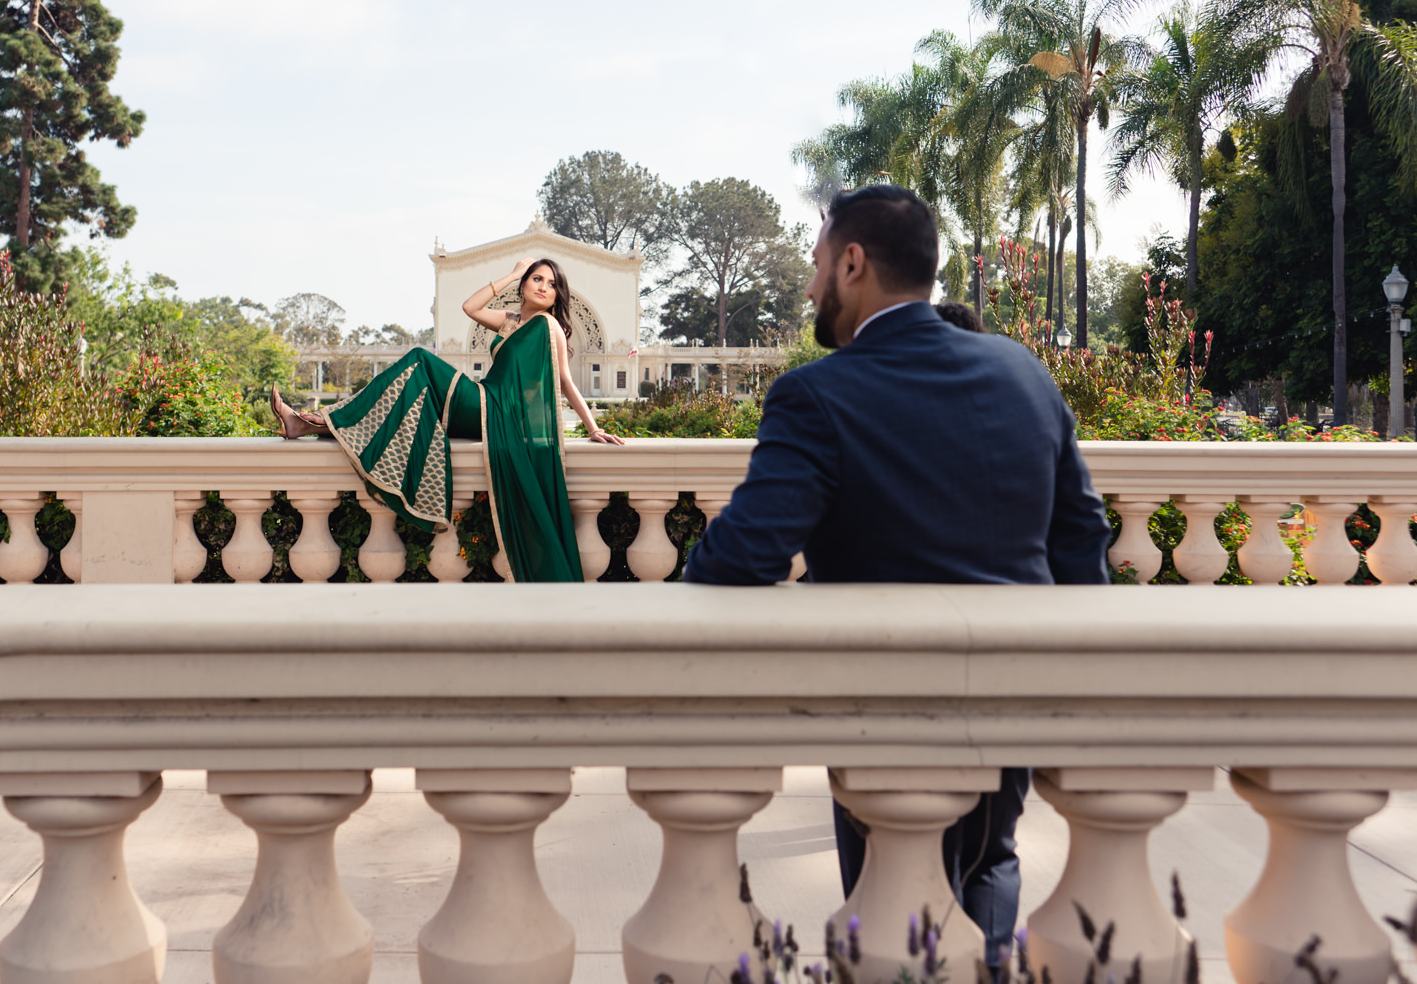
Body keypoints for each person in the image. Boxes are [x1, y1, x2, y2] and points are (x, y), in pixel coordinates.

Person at [684, 183, 1112, 971]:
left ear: (853, 262)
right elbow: (1083, 546)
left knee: (890, 896)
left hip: (879, 710)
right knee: (989, 864)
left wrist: (701, 554)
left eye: (816, 265)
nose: (810, 287)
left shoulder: (817, 394)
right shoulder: (1023, 372)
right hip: (1012, 699)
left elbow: (744, 557)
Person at [274, 256, 623, 582]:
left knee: (420, 361)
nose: (543, 286)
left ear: (557, 295)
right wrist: (513, 274)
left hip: (495, 411)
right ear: (524, 285)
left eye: (551, 283)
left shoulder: (550, 326)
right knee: (413, 390)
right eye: (536, 278)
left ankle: (315, 422)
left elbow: (565, 380)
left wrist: (593, 427)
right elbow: (470, 307)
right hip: (484, 403)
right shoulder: (510, 322)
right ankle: (315, 424)